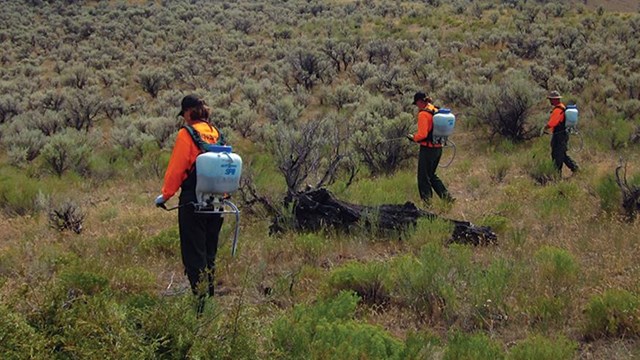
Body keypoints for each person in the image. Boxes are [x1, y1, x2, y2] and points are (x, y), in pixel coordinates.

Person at [155, 94, 225, 311]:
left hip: (193, 202)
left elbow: (177, 169)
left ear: (188, 112)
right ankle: (209, 299)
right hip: (217, 201)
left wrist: (165, 195)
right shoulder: (215, 133)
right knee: (209, 253)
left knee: (194, 254)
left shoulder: (187, 134)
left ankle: (200, 305)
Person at [407, 91, 453, 204]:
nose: (417, 106)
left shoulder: (423, 114)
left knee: (423, 177)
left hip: (428, 150)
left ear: (419, 102)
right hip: (438, 148)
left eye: (416, 104)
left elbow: (422, 134)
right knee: (431, 175)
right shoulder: (434, 109)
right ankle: (447, 198)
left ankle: (427, 205)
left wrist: (413, 138)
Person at [542, 90, 579, 174]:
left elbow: (553, 123)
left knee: (557, 155)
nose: (550, 101)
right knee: (562, 154)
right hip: (562, 135)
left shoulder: (558, 110)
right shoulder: (561, 107)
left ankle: (557, 174)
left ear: (555, 99)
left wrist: (545, 128)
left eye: (551, 99)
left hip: (559, 136)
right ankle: (576, 169)